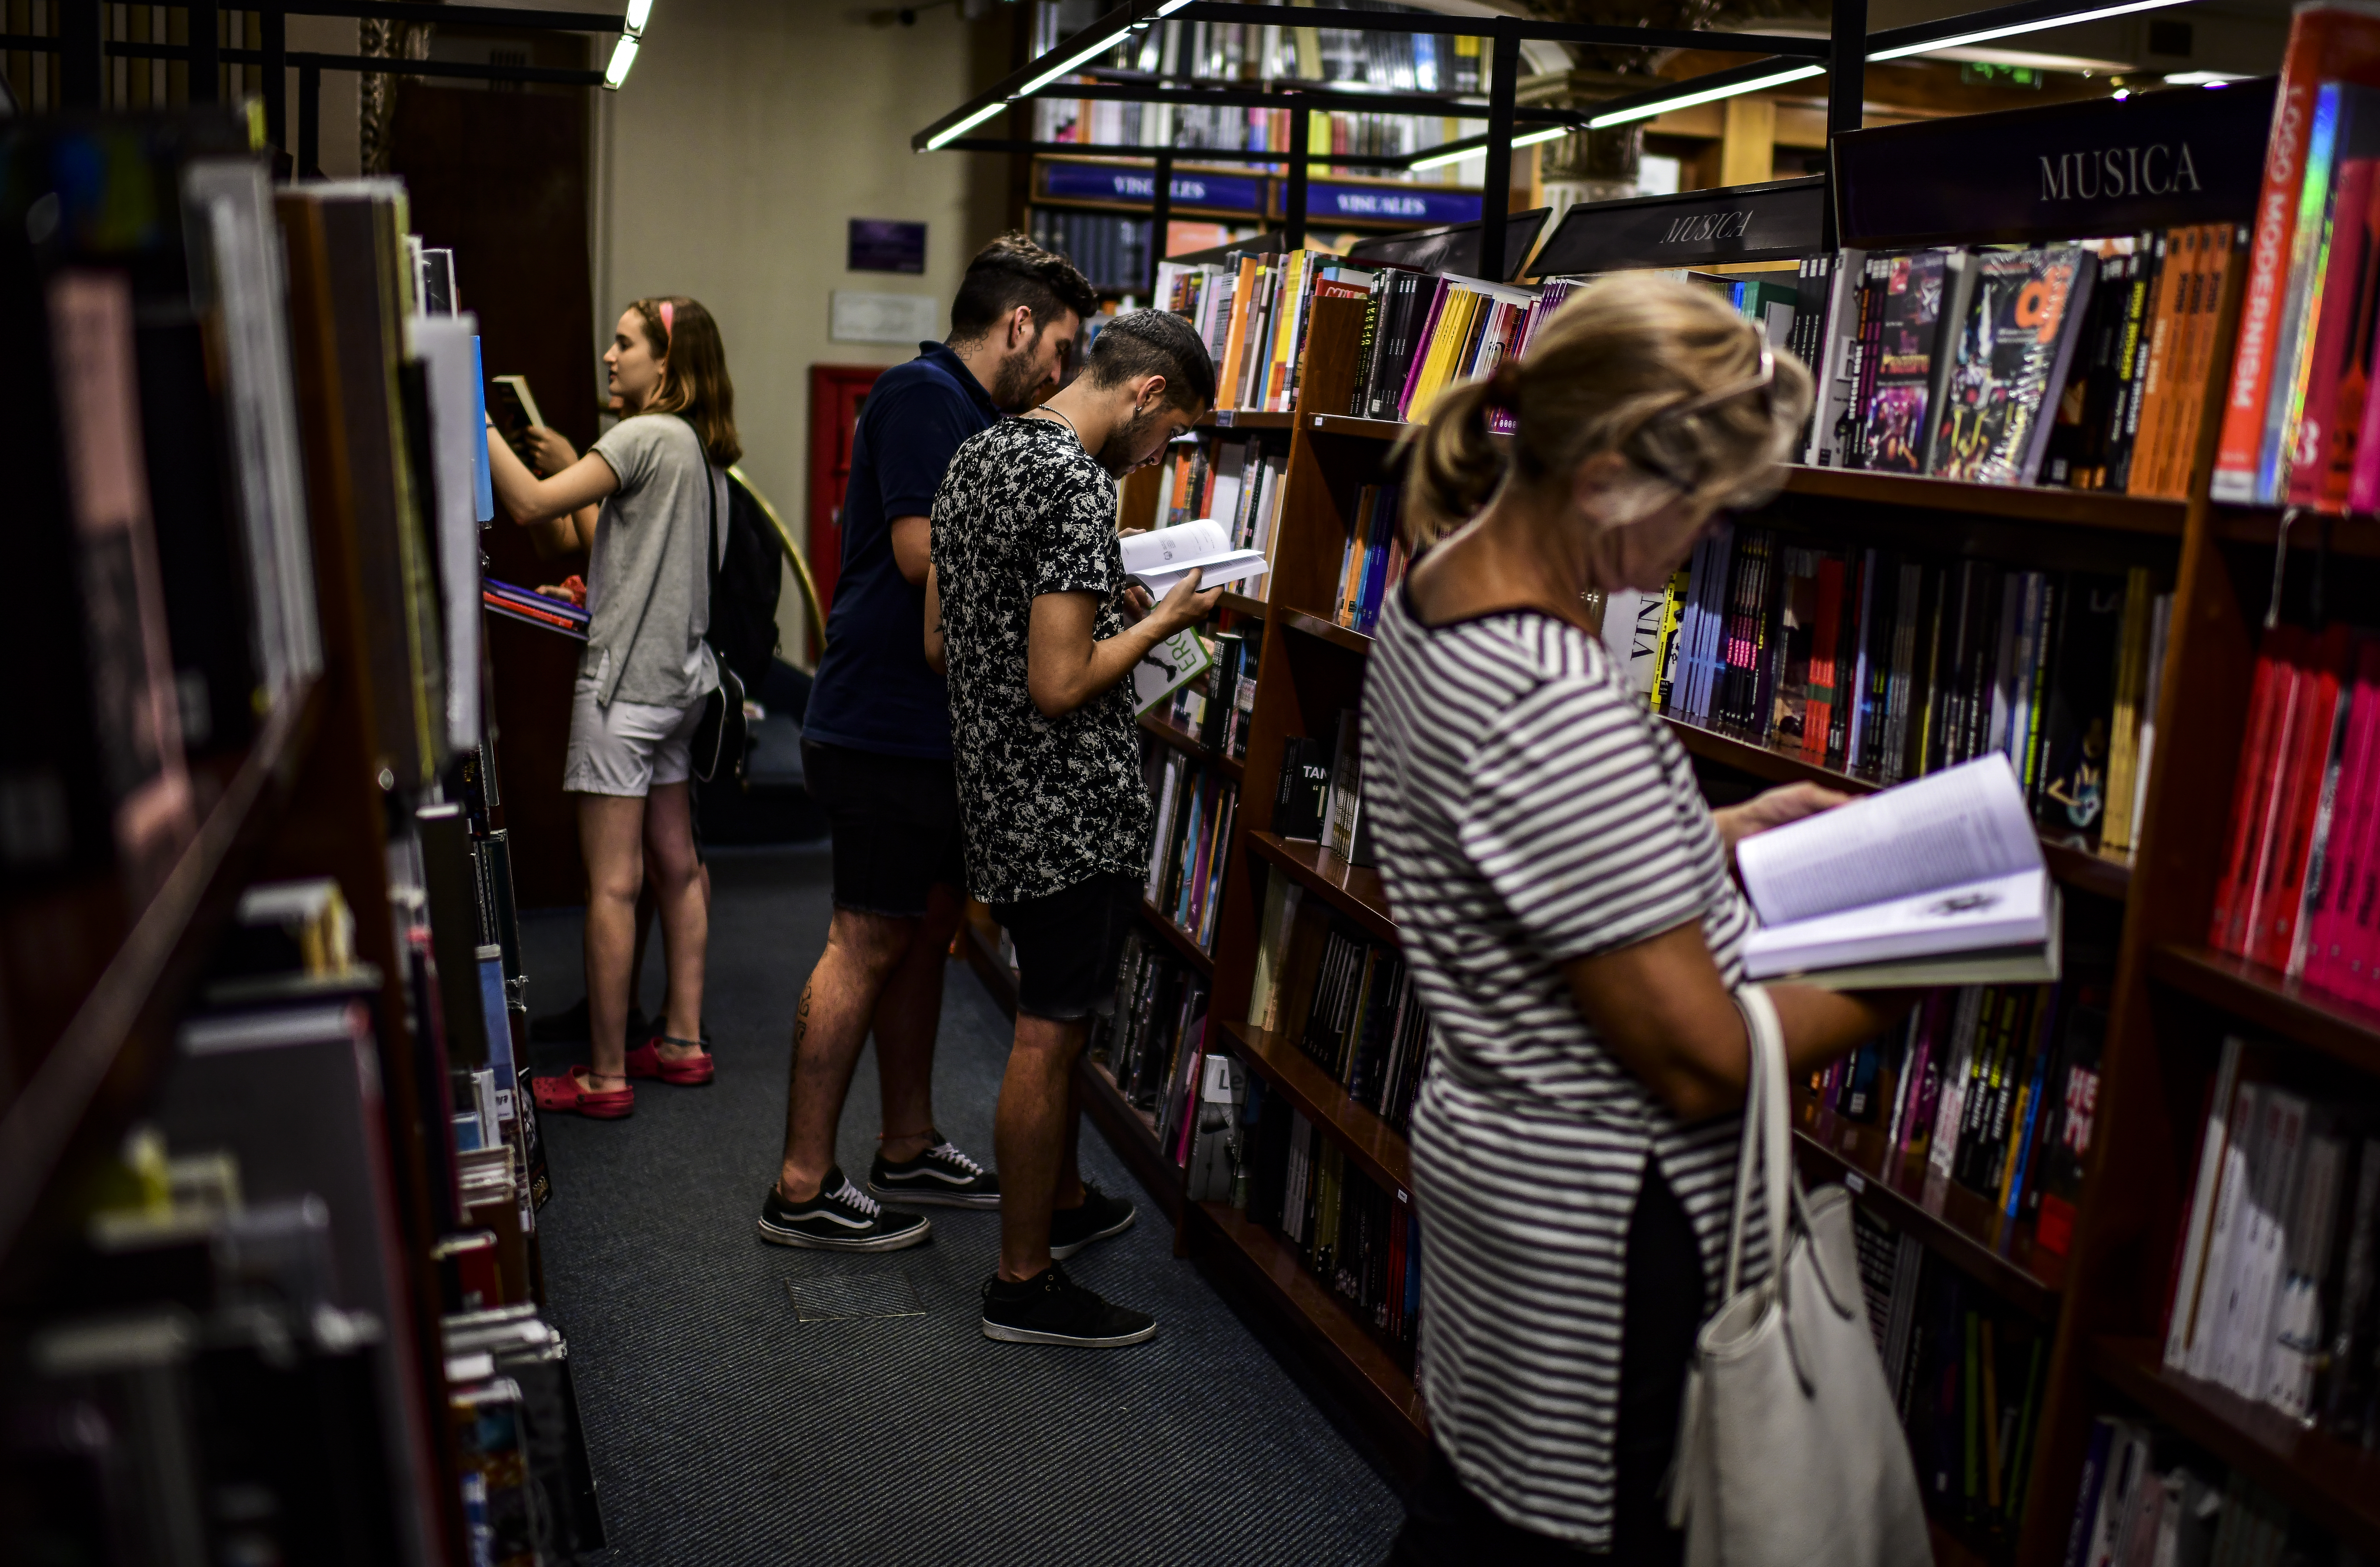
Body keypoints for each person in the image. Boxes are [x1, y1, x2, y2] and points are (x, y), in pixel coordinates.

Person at [1361, 275, 1911, 1564]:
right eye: (1698, 497)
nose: (1705, 529)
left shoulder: (1437, 587)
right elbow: (1701, 1056)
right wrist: (1933, 955)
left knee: (1483, 1509)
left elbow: (1499, 846)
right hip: (1605, 1221)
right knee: (1577, 1534)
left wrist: (1708, 833)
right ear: (1606, 469)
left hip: (1503, 1169)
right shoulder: (1556, 695)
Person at [755, 236, 1100, 1250]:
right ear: (1019, 324)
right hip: (881, 722)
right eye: (1062, 347)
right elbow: (920, 552)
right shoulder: (921, 395)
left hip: (931, 729)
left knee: (922, 935)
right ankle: (801, 1184)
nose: (1063, 375)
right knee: (862, 940)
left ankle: (906, 1142)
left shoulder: (974, 414)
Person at [924, 309, 1220, 1347]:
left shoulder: (976, 456)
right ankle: (1023, 1281)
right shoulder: (1077, 484)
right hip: (1069, 806)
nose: (1162, 455)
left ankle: (1053, 1209)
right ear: (1146, 396)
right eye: (1171, 434)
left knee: (1043, 1027)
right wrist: (1156, 624)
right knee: (1050, 1038)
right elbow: (1059, 684)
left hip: (997, 796)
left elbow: (942, 640)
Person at [488, 295, 738, 1119]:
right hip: (679, 689)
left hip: (622, 691)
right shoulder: (704, 452)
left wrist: (472, 418)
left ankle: (603, 1074)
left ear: (666, 364)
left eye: (626, 343)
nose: (609, 354)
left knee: (613, 885)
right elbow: (621, 551)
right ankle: (684, 1041)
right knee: (678, 866)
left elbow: (528, 505)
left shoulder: (639, 436)